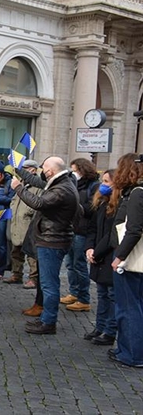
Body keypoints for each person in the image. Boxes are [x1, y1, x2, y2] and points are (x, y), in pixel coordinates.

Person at [10, 156, 77, 335]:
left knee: (49, 284)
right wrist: (18, 169)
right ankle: (46, 318)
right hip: (50, 238)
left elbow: (39, 203)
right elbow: (37, 182)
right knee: (47, 282)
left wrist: (18, 187)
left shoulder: (62, 189)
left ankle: (48, 321)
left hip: (52, 240)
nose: (42, 174)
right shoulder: (61, 182)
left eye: (44, 170)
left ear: (50, 172)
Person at [107, 153, 143, 368]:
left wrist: (120, 255)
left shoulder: (138, 193)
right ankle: (128, 349)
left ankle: (132, 354)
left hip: (131, 258)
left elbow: (134, 229)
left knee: (128, 307)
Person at [84, 169, 117, 346]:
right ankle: (100, 326)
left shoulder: (119, 206)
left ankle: (110, 330)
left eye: (107, 182)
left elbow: (113, 234)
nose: (103, 185)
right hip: (97, 253)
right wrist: (89, 248)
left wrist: (97, 251)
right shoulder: (101, 204)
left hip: (108, 254)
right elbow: (92, 229)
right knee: (102, 293)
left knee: (111, 295)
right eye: (103, 181)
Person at [62, 158, 100, 312]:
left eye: (75, 170)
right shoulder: (74, 184)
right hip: (71, 227)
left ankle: (84, 298)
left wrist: (75, 206)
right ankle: (74, 292)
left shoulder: (93, 186)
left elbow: (92, 207)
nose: (74, 173)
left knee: (79, 264)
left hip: (83, 229)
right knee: (70, 264)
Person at [6, 160, 41, 287]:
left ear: (33, 170)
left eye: (26, 168)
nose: (23, 170)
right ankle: (16, 274)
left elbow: (38, 203)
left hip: (29, 224)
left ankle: (34, 278)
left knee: (31, 254)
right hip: (17, 222)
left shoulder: (38, 186)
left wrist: (29, 212)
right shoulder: (19, 183)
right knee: (15, 251)